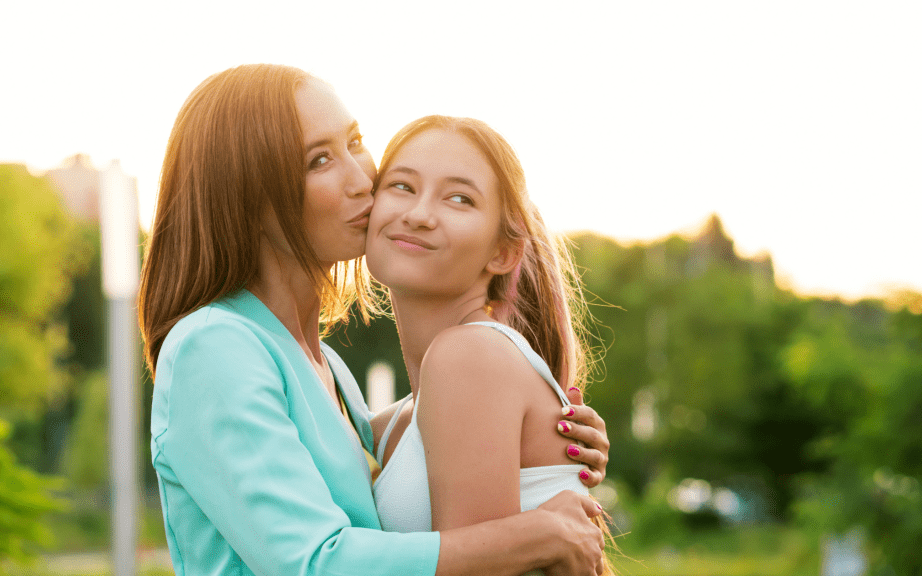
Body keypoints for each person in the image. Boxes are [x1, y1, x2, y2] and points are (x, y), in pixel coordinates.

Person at [139, 63, 610, 576]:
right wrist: (536, 533)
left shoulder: (327, 366)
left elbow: (426, 431)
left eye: (356, 141)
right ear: (249, 195)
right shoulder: (214, 347)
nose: (363, 178)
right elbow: (315, 564)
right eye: (320, 160)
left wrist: (542, 430)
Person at [365, 116, 615, 575]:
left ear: (502, 253)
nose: (419, 213)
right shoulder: (390, 425)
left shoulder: (469, 356)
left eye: (459, 198)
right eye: (401, 186)